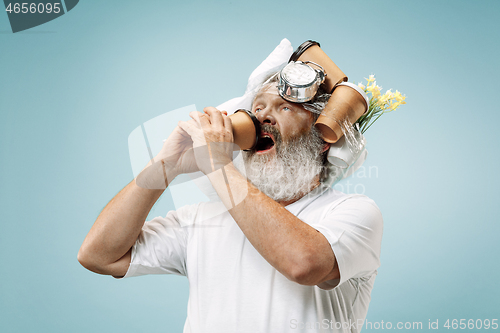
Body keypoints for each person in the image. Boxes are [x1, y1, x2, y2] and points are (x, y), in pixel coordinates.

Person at [78, 77, 383, 333]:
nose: (262, 116)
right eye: (257, 108)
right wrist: (166, 164)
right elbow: (98, 256)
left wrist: (216, 163)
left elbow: (303, 265)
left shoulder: (353, 212)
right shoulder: (202, 218)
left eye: (285, 107)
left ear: (323, 136)